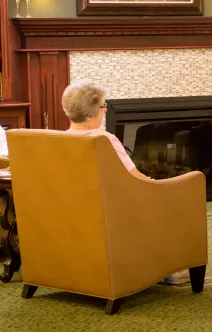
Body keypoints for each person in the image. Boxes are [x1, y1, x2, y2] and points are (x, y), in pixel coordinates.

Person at [61, 80, 189, 285]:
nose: (104, 112)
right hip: (114, 212)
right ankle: (169, 269)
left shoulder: (60, 140)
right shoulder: (104, 139)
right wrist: (157, 185)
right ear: (93, 111)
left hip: (80, 211)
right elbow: (134, 177)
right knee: (171, 196)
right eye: (103, 107)